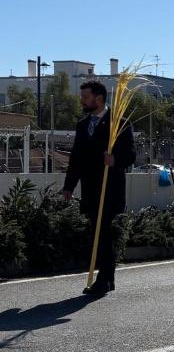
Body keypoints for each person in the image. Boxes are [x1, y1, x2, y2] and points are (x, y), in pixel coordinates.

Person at [62, 79, 136, 297]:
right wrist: (69, 186)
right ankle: (108, 278)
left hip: (110, 188)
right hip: (91, 189)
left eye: (86, 97)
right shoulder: (82, 125)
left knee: (101, 233)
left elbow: (131, 155)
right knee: (98, 233)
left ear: (99, 98)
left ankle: (103, 280)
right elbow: (76, 159)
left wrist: (115, 160)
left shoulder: (119, 123)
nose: (82, 101)